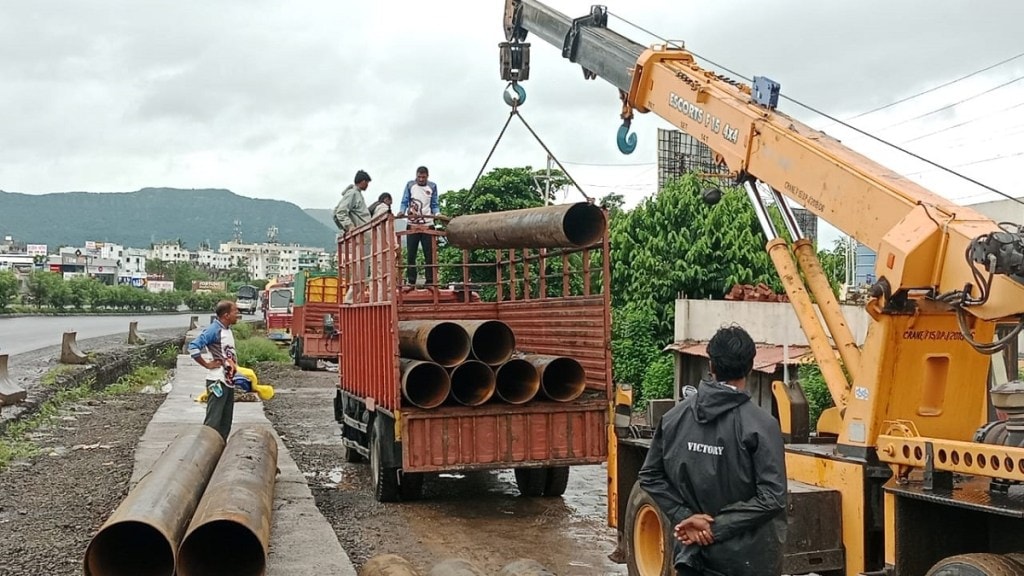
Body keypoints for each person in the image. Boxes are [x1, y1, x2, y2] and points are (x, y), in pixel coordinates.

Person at [638, 324, 787, 576]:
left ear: (711, 365)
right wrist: (714, 529)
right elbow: (772, 498)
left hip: (692, 560)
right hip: (747, 563)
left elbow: (650, 476)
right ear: (751, 367)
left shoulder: (674, 417)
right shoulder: (762, 426)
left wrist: (687, 517)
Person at [187, 300, 241, 440]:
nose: (238, 314)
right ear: (226, 315)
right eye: (235, 311)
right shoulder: (214, 330)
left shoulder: (227, 330)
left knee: (225, 422)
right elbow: (193, 347)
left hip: (228, 381)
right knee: (213, 421)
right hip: (217, 380)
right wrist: (206, 364)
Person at [398, 166, 445, 287]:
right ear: (416, 175)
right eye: (419, 177)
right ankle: (411, 280)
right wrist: (402, 211)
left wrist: (438, 214)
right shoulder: (410, 185)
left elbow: (434, 204)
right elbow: (405, 201)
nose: (421, 179)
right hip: (412, 224)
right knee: (411, 254)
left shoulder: (432, 186)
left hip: (428, 224)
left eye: (423, 177)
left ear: (427, 176)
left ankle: (430, 281)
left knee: (429, 254)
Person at [333, 170, 372, 239]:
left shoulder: (357, 194)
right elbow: (340, 212)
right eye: (367, 182)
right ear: (363, 181)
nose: (367, 185)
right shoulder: (353, 193)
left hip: (362, 235)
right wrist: (350, 226)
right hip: (360, 235)